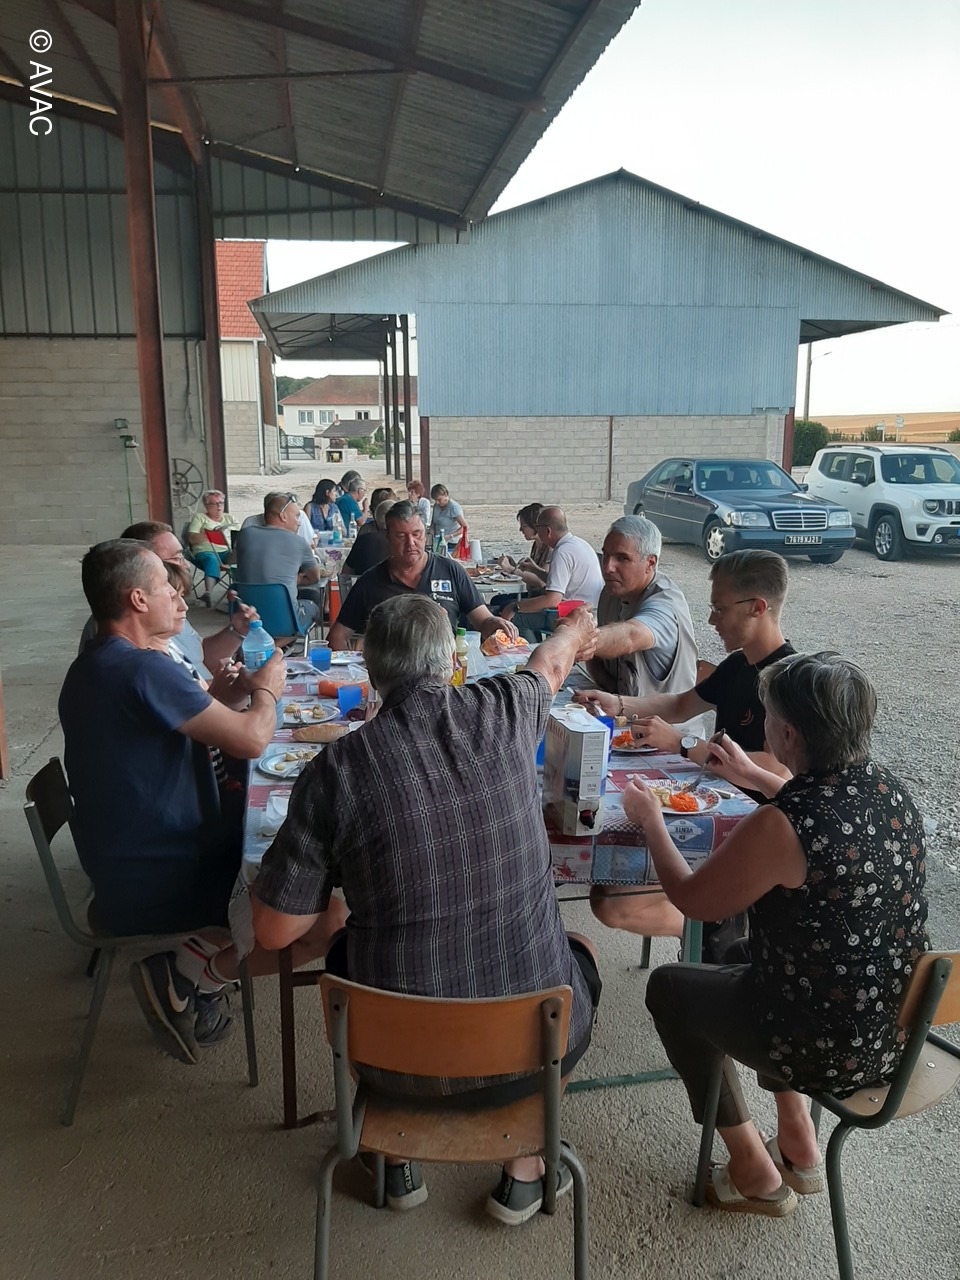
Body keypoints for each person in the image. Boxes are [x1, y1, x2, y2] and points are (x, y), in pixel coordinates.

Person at [252, 594, 602, 1223]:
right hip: (534, 1051)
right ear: (449, 662)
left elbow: (275, 930)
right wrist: (577, 628)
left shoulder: (335, 771)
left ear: (370, 669)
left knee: (343, 948)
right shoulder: (507, 708)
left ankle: (392, 1156)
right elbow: (550, 664)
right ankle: (526, 1165)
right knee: (581, 959)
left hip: (394, 1065)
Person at [625, 652, 929, 1217]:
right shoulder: (890, 792)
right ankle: (798, 1138)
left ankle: (750, 1167)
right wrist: (749, 775)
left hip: (827, 1047)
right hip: (893, 1030)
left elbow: (693, 900)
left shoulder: (784, 824)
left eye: (769, 717)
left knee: (670, 987)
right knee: (744, 952)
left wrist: (651, 822)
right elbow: (806, 800)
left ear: (787, 733)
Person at [59, 540, 346, 1065]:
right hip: (161, 876)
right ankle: (189, 972)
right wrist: (267, 690)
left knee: (286, 833)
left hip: (124, 860)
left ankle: (192, 974)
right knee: (329, 913)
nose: (179, 597)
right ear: (138, 599)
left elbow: (178, 724)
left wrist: (227, 698)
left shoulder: (96, 664)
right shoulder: (143, 670)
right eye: (166, 588)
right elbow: (253, 740)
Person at [575, 549, 795, 949]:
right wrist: (617, 703)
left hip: (745, 832)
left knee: (612, 903)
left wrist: (682, 744)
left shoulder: (788, 681)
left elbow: (775, 771)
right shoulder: (738, 666)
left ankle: (715, 926)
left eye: (719, 609)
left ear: (757, 607)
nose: (711, 620)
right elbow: (679, 705)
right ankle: (711, 919)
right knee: (606, 888)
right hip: (703, 807)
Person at [78, 521, 258, 705]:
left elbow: (197, 656)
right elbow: (178, 695)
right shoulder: (132, 641)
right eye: (176, 558)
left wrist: (236, 630)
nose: (186, 565)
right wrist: (254, 689)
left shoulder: (163, 614)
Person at [327, 501, 520, 650]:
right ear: (388, 538)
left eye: (417, 534)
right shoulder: (370, 582)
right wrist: (355, 671)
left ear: (426, 534)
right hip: (389, 676)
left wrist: (495, 624)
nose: (411, 543)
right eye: (401, 536)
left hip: (444, 673)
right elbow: (337, 637)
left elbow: (483, 621)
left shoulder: (450, 571)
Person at [570, 516, 705, 728]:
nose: (608, 567)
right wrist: (611, 695)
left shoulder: (666, 604)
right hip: (624, 724)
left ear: (650, 563)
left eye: (622, 558)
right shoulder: (611, 592)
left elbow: (631, 636)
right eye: (606, 555)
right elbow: (598, 657)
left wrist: (576, 638)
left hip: (670, 737)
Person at [501, 507, 603, 642]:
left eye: (538, 527)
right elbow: (563, 583)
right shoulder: (578, 543)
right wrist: (536, 570)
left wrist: (516, 607)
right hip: (591, 611)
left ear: (547, 531)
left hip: (574, 616)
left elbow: (552, 600)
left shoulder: (562, 552)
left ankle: (532, 652)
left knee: (513, 618)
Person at [235, 492, 326, 626]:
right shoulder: (299, 542)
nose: (299, 522)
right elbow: (315, 578)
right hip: (286, 620)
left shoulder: (244, 535)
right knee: (314, 601)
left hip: (247, 615)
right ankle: (284, 641)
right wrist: (295, 579)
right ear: (283, 516)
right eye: (296, 516)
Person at [185, 489, 239, 606]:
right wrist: (211, 534)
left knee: (243, 557)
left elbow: (240, 536)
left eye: (221, 503)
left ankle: (238, 591)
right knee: (211, 558)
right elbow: (191, 538)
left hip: (227, 552)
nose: (219, 506)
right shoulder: (199, 518)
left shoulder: (230, 518)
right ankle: (208, 594)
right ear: (206, 505)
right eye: (215, 504)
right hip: (205, 552)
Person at [342, 496, 396, 577]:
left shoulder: (364, 540)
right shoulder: (405, 542)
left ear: (376, 520)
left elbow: (346, 574)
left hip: (365, 584)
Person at [428, 483, 468, 551]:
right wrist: (431, 535)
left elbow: (465, 527)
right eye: (435, 500)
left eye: (439, 499)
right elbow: (433, 523)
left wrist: (450, 536)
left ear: (445, 495)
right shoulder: (436, 506)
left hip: (452, 542)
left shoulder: (454, 507)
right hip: (438, 541)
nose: (437, 502)